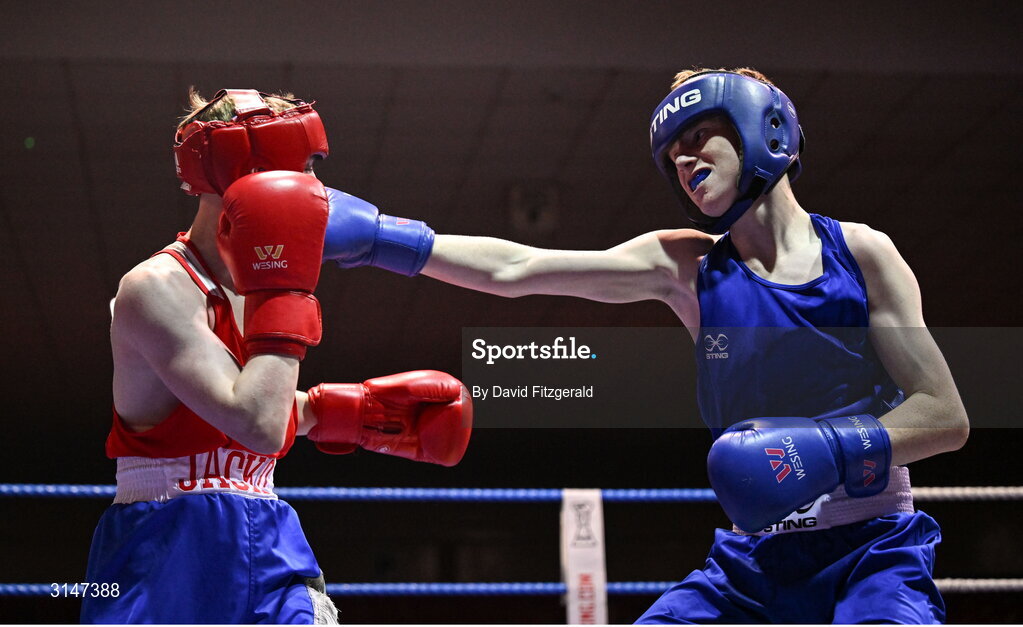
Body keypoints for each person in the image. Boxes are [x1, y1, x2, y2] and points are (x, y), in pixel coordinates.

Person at [319, 68, 969, 623]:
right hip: (752, 562)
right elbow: (517, 268)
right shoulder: (685, 267)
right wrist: (386, 239)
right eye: (671, 155)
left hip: (872, 551)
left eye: (696, 136)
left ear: (762, 127)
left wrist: (829, 448)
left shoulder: (859, 253)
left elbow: (943, 414)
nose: (683, 160)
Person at [82, 89, 472, 624]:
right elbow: (256, 423)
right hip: (165, 539)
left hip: (266, 528)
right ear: (254, 168)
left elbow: (242, 407)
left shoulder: (260, 277)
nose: (317, 185)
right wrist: (285, 295)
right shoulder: (155, 288)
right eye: (307, 164)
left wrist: (342, 413)